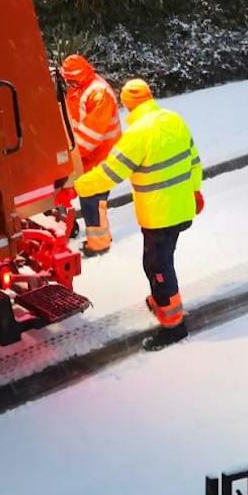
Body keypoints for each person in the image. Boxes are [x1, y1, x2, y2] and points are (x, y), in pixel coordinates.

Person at [74, 78, 203, 351]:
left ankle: (173, 326)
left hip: (159, 216)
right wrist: (195, 190)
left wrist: (78, 185)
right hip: (181, 207)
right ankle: (163, 301)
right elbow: (194, 159)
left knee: (157, 268)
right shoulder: (174, 120)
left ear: (127, 105)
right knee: (162, 262)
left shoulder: (136, 135)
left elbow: (110, 173)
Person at [60, 54, 123, 257]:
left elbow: (91, 134)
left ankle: (99, 243)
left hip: (103, 155)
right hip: (88, 155)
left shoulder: (98, 93)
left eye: (70, 79)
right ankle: (87, 234)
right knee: (88, 197)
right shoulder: (78, 88)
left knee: (93, 199)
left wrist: (70, 156)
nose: (68, 83)